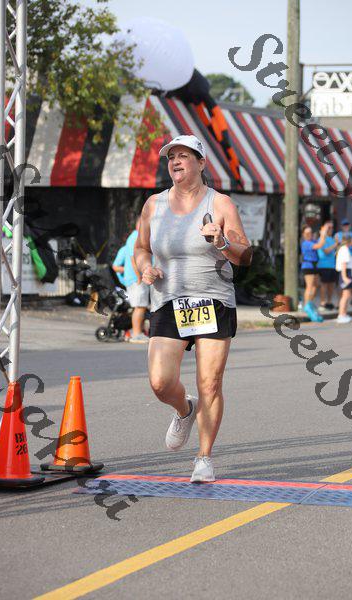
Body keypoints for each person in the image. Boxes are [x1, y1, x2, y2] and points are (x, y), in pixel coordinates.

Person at [134, 134, 252, 482]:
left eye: (184, 155)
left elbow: (245, 255)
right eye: (171, 156)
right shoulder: (154, 205)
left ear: (201, 163)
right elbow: (141, 247)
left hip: (213, 300)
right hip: (168, 300)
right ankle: (184, 409)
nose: (175, 161)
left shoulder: (221, 204)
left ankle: (204, 457)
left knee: (209, 383)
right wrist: (145, 267)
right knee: (160, 382)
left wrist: (222, 242)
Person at [113, 217, 150, 343]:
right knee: (140, 306)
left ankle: (139, 332)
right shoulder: (136, 237)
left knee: (141, 306)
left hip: (135, 278)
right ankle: (137, 334)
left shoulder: (135, 237)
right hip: (136, 278)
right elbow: (134, 258)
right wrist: (139, 276)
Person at [300, 224, 328, 322]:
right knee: (309, 286)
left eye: (311, 232)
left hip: (315, 266)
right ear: (303, 234)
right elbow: (319, 245)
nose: (309, 234)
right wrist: (323, 234)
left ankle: (309, 303)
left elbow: (321, 243)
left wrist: (323, 234)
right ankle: (306, 305)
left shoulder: (313, 241)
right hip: (308, 266)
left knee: (316, 286)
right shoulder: (306, 243)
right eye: (307, 233)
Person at [317, 221, 338, 311]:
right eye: (328, 227)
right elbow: (326, 251)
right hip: (324, 265)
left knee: (331, 285)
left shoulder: (332, 239)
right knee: (324, 285)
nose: (331, 229)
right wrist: (335, 245)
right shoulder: (322, 239)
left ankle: (329, 302)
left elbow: (333, 252)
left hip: (332, 265)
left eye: (332, 227)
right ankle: (322, 303)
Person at [335, 236, 352, 324]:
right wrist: (345, 277)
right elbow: (344, 264)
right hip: (345, 272)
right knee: (345, 295)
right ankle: (341, 315)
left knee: (346, 294)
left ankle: (344, 313)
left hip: (345, 272)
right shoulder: (345, 249)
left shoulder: (343, 249)